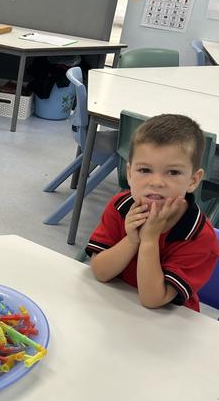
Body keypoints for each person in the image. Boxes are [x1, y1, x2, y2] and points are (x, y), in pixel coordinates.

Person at [86, 114, 218, 312]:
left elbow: (153, 299)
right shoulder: (120, 206)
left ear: (193, 180)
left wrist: (149, 239)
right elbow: (100, 272)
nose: (156, 182)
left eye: (173, 172)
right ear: (130, 174)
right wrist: (131, 240)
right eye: (145, 170)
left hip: (168, 325)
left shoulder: (199, 235)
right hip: (115, 307)